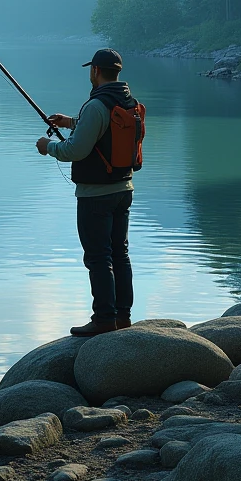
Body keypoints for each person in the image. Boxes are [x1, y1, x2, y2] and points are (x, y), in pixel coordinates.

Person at [36, 48, 140, 337]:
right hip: (124, 189)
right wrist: (70, 122)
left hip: (96, 194)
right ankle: (123, 316)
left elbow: (76, 150)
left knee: (98, 257)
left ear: (95, 71)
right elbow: (105, 129)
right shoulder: (128, 101)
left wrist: (49, 148)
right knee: (120, 253)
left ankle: (104, 319)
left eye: (90, 70)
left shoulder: (95, 105)